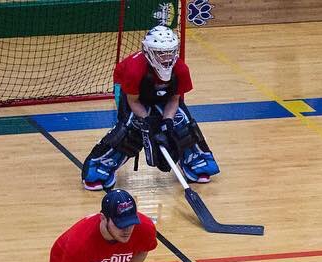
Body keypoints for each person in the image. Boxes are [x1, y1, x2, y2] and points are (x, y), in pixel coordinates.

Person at [81, 23, 219, 191]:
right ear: (149, 52)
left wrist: (167, 122)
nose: (167, 57)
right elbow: (133, 101)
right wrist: (147, 123)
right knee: (132, 128)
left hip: (165, 98)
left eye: (170, 52)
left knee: (181, 122)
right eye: (161, 53)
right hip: (133, 96)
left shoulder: (181, 69)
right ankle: (100, 167)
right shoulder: (133, 70)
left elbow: (175, 100)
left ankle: (195, 162)